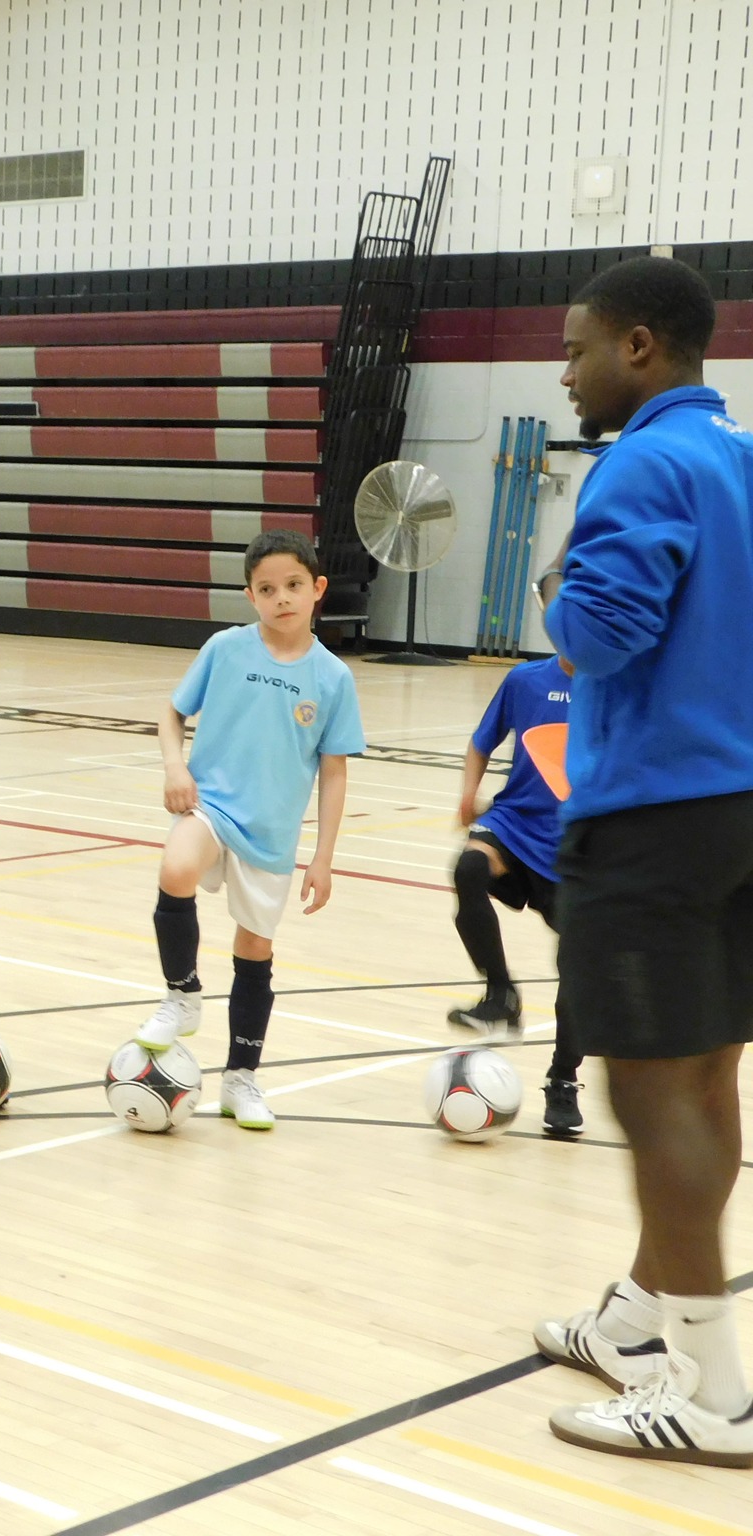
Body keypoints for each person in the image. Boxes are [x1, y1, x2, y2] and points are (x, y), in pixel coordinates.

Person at [529, 255, 753, 1466]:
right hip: (740, 806)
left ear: (635, 349)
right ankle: (635, 1319)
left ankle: (711, 1392)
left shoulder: (640, 463)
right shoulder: (740, 458)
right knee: (705, 1078)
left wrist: (556, 590)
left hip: (654, 816)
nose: (561, 373)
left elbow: (602, 636)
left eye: (573, 349)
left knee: (642, 1092)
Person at [134, 529, 366, 1131]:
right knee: (176, 867)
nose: (281, 598)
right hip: (211, 804)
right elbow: (171, 712)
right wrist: (174, 765)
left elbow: (334, 773)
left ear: (316, 589)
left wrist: (323, 857)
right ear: (250, 596)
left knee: (253, 950)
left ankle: (241, 1078)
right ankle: (182, 994)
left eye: (293, 586)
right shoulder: (226, 649)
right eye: (267, 589)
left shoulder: (333, 678)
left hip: (271, 833)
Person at [449, 563, 584, 1138]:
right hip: (514, 825)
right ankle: (500, 993)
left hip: (579, 849)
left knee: (575, 967)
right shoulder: (524, 680)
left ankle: (562, 1080)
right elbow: (482, 742)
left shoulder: (619, 686)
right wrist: (468, 792)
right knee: (469, 867)